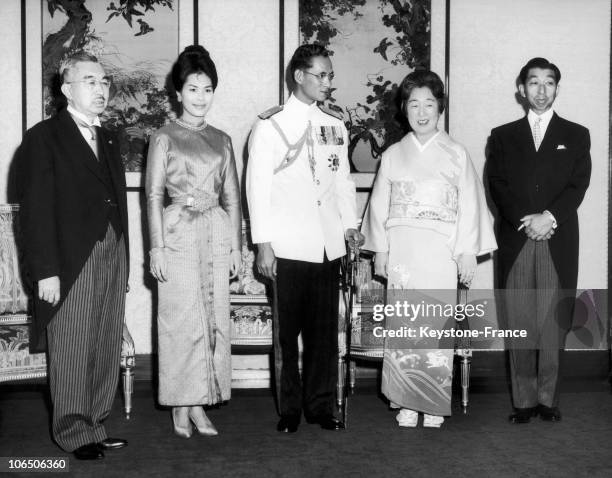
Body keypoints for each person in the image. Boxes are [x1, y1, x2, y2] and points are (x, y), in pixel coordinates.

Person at [361, 70, 496, 428]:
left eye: (429, 104)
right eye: (414, 104)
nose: (422, 112)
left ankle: (433, 403)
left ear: (440, 108)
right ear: (404, 109)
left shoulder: (456, 154)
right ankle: (406, 400)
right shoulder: (392, 154)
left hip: (440, 251)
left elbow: (470, 204)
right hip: (403, 249)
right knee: (405, 326)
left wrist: (468, 251)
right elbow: (379, 208)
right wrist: (382, 250)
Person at [18, 52, 130, 459]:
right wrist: (45, 272)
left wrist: (124, 259)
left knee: (103, 341)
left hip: (112, 253)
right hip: (69, 259)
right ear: (67, 89)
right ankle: (71, 432)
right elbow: (34, 213)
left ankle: (95, 423)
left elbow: (114, 199)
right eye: (90, 81)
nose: (101, 89)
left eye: (104, 82)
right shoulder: (42, 138)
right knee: (71, 345)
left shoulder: (110, 136)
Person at [246, 43, 363, 433]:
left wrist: (349, 225)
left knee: (323, 334)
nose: (328, 83)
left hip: (328, 245)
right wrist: (263, 243)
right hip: (287, 246)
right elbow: (256, 188)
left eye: (330, 75)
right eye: (321, 75)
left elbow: (343, 182)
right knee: (286, 336)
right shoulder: (270, 125)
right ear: (299, 76)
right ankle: (290, 410)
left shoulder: (335, 123)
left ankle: (320, 407)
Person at [487, 57, 591, 423]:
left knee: (551, 320)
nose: (541, 90)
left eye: (549, 83)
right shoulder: (502, 136)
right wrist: (525, 221)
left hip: (556, 237)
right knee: (519, 319)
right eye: (534, 83)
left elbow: (578, 184)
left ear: (557, 89)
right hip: (517, 238)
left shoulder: (576, 134)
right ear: (521, 89)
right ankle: (523, 401)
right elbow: (496, 184)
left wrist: (548, 218)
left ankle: (548, 398)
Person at [146, 45, 241, 438]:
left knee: (213, 320)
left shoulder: (222, 140)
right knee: (180, 322)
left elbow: (233, 198)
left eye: (207, 89)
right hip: (178, 235)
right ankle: (179, 405)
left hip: (216, 235)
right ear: (178, 93)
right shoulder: (163, 137)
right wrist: (156, 248)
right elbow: (152, 196)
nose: (201, 97)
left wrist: (237, 247)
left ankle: (201, 403)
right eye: (194, 89)